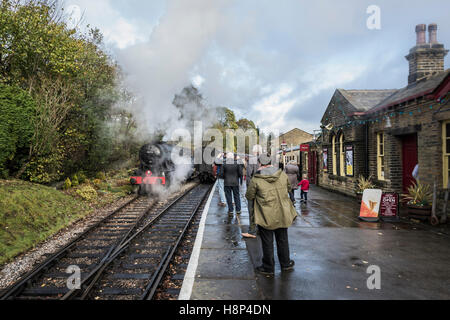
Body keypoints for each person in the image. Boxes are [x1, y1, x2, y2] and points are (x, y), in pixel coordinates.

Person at [246, 154, 297, 276]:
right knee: (283, 239)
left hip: (265, 214)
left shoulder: (256, 179)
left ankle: (268, 267)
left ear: (260, 164)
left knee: (267, 241)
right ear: (271, 163)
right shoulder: (282, 175)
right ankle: (285, 264)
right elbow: (289, 188)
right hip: (283, 212)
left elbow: (249, 196)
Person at [242, 151, 260, 239]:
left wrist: (248, 187)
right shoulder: (264, 160)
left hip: (254, 186)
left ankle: (252, 230)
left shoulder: (251, 161)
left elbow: (248, 175)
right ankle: (260, 229)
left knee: (251, 208)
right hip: (263, 189)